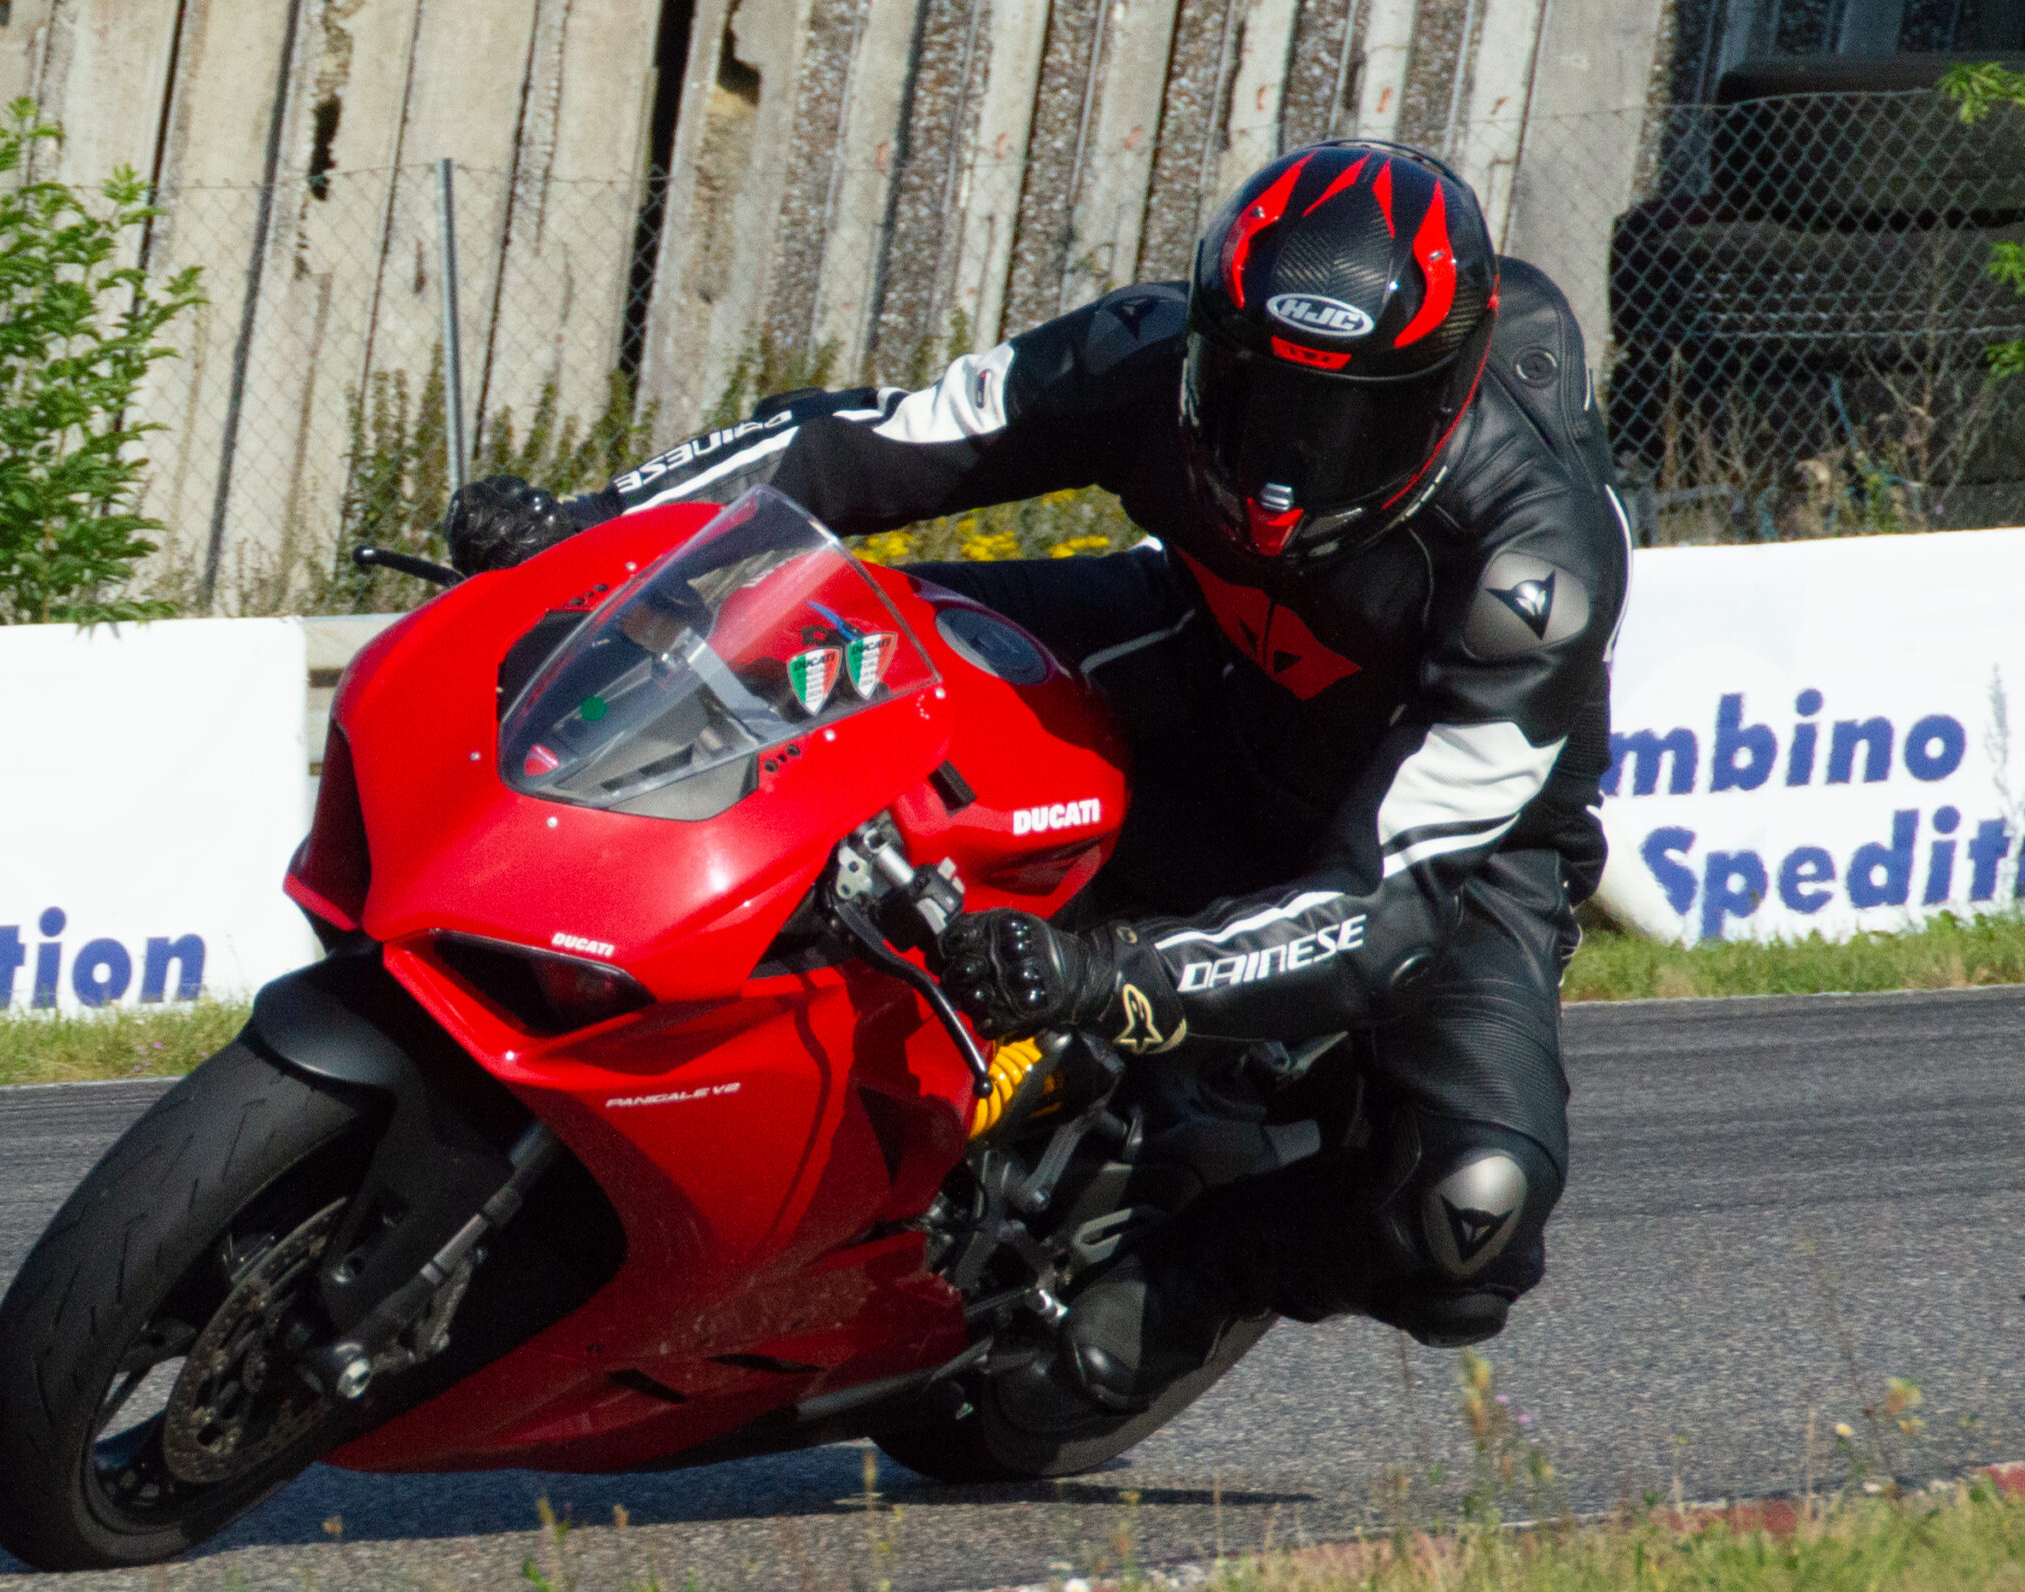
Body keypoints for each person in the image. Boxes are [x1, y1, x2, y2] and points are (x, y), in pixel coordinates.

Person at [441, 139, 1628, 1413]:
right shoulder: (1136, 354)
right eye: (1257, 394)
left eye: (1351, 419)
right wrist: (591, 526)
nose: (1288, 461)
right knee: (806, 660)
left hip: (1448, 849)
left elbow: (1387, 906)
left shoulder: (1535, 559)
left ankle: (1208, 1267)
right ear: (1204, 345)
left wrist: (1106, 978)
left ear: (1441, 401)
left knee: (1471, 1210)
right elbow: (863, 444)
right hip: (1191, 656)